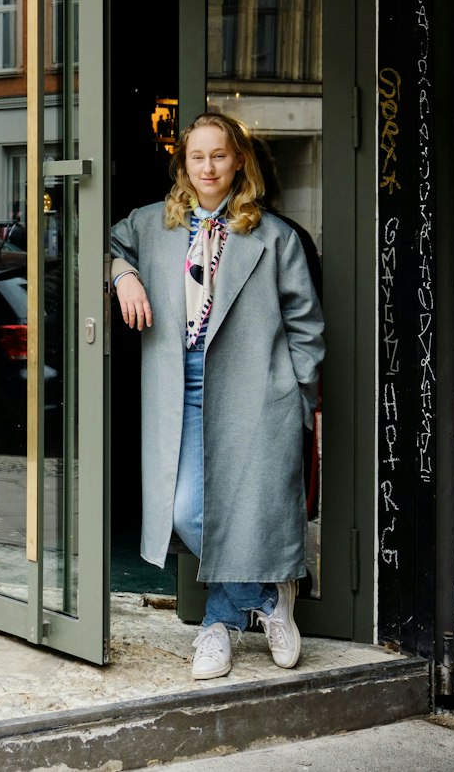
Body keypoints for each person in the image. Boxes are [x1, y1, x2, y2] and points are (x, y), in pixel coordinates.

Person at [109, 111, 325, 681]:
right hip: (181, 391)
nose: (208, 166)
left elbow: (306, 326)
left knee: (244, 508)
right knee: (185, 511)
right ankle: (268, 592)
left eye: (220, 155)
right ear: (182, 164)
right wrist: (121, 275)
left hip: (257, 396)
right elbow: (108, 243)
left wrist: (298, 396)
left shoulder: (275, 236)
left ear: (239, 162)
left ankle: (217, 626)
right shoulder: (152, 224)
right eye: (197, 156)